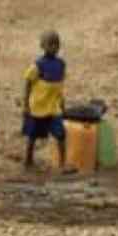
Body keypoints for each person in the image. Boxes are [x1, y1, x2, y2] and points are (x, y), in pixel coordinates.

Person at [23, 30, 72, 172]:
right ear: (42, 46)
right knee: (33, 135)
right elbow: (28, 82)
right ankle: (28, 161)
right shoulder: (38, 65)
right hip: (38, 106)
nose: (54, 47)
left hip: (53, 107)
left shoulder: (61, 64)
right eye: (50, 44)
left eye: (57, 44)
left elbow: (59, 86)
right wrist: (26, 104)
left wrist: (62, 103)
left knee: (61, 133)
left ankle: (63, 164)